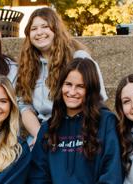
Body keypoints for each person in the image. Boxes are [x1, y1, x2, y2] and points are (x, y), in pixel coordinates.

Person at [16, 7, 107, 144]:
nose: (39, 32)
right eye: (34, 29)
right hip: (41, 130)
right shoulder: (27, 65)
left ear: (56, 29)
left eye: (45, 26)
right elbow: (25, 107)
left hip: (75, 130)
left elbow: (96, 99)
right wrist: (41, 135)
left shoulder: (78, 58)